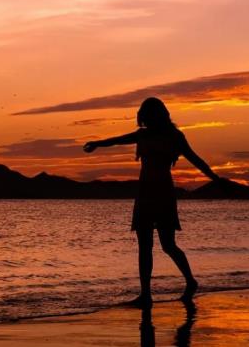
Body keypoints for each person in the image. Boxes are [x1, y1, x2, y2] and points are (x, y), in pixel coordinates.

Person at [83, 97, 222, 306]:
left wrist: (216, 179)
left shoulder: (175, 136)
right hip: (145, 194)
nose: (144, 119)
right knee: (144, 246)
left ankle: (190, 281)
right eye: (143, 115)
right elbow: (118, 140)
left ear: (157, 115)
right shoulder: (143, 135)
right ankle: (146, 294)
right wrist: (97, 144)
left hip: (163, 193)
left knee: (168, 245)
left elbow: (195, 159)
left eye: (147, 115)